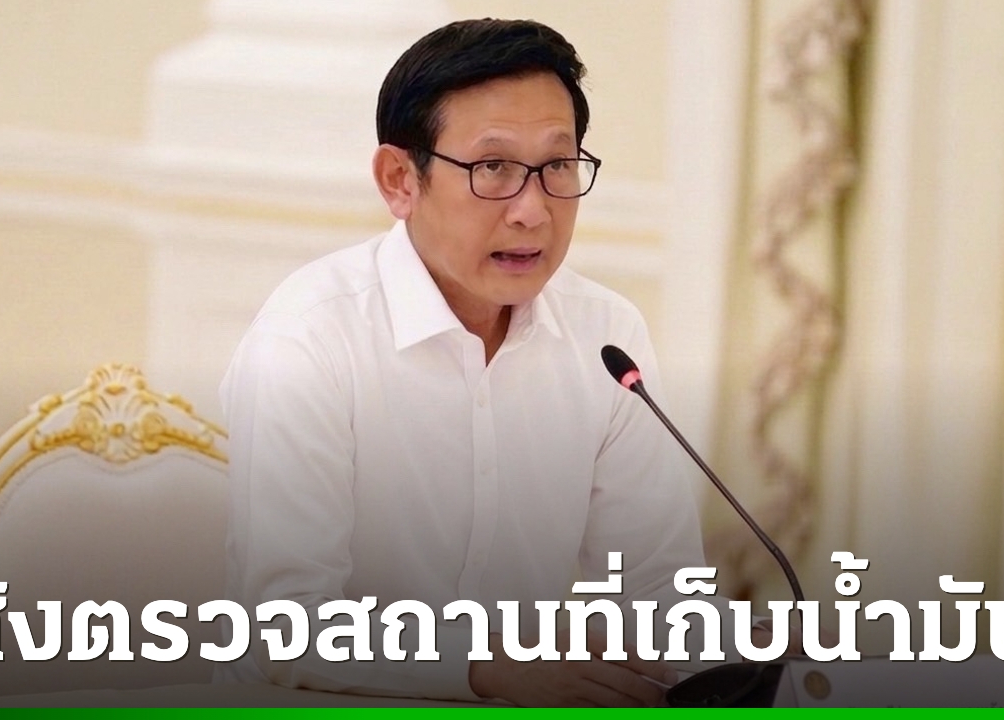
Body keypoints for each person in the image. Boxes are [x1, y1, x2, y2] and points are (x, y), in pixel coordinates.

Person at [218, 18, 747, 706]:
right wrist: (485, 667)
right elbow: (284, 628)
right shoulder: (309, 340)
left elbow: (658, 591)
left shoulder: (607, 337)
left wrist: (753, 647)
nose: (532, 211)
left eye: (557, 167)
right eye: (493, 168)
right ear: (399, 180)